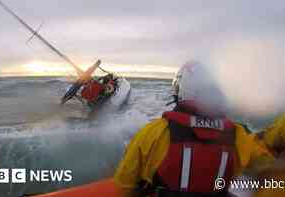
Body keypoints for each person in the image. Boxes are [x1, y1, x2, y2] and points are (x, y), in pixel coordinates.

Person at [114, 61, 273, 197]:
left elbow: (124, 184)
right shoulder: (237, 135)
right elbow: (267, 167)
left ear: (182, 89)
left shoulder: (154, 132)